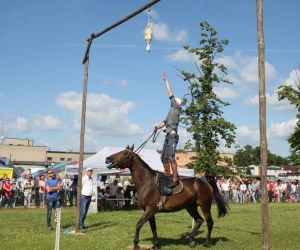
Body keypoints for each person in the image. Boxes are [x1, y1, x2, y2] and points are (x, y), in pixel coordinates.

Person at [155, 72, 182, 187]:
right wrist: (157, 126)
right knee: (163, 158)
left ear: (177, 103)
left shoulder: (176, 107)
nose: (173, 100)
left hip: (172, 136)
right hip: (167, 136)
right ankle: (168, 175)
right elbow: (164, 122)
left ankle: (175, 175)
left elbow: (170, 93)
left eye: (174, 100)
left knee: (171, 157)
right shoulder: (170, 111)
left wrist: (165, 81)